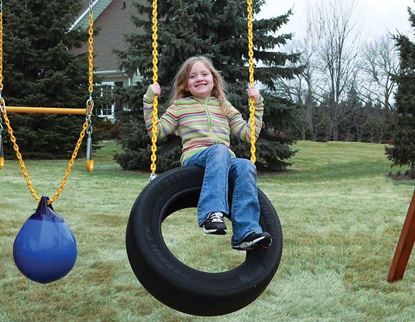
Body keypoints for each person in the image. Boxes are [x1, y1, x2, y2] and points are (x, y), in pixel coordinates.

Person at [143, 56, 272, 251]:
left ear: (213, 79)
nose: (199, 78)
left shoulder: (224, 106)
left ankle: (245, 233)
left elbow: (249, 134)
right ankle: (211, 214)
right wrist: (148, 100)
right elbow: (156, 132)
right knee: (220, 150)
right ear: (185, 84)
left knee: (246, 165)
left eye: (204, 74)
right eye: (192, 76)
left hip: (224, 159)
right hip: (195, 157)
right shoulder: (179, 106)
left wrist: (258, 104)